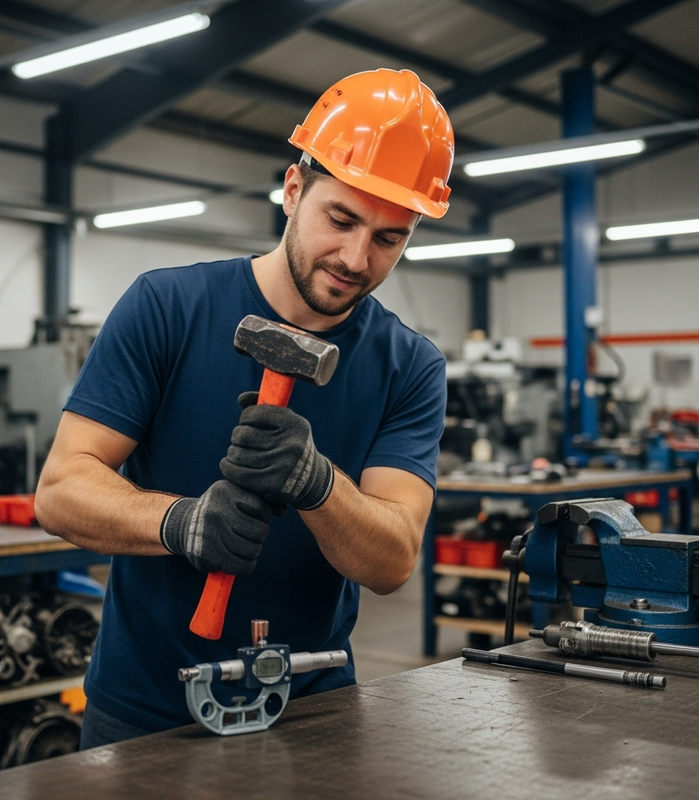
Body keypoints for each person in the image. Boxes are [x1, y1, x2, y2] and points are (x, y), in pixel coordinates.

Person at [34, 67, 454, 748]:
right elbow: (59, 492)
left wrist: (317, 485)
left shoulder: (409, 365)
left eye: (388, 238)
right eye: (341, 219)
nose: (354, 257)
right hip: (144, 711)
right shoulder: (167, 308)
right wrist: (181, 523)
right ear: (293, 189)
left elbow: (392, 560)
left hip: (313, 711)